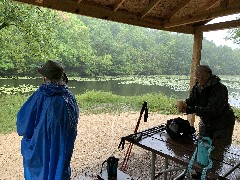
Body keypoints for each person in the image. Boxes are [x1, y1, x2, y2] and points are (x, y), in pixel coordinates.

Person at [16, 60, 79, 180]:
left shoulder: (41, 95)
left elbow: (23, 123)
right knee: (60, 165)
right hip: (63, 143)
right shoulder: (69, 97)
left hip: (42, 143)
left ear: (46, 77)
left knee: (43, 167)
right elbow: (74, 123)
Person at [176, 65, 235, 145]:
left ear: (208, 75)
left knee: (219, 148)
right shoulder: (197, 86)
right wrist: (184, 104)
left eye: (199, 76)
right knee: (203, 146)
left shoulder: (219, 89)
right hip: (206, 122)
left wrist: (191, 109)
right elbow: (192, 100)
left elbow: (213, 110)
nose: (197, 78)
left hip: (222, 124)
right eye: (196, 76)